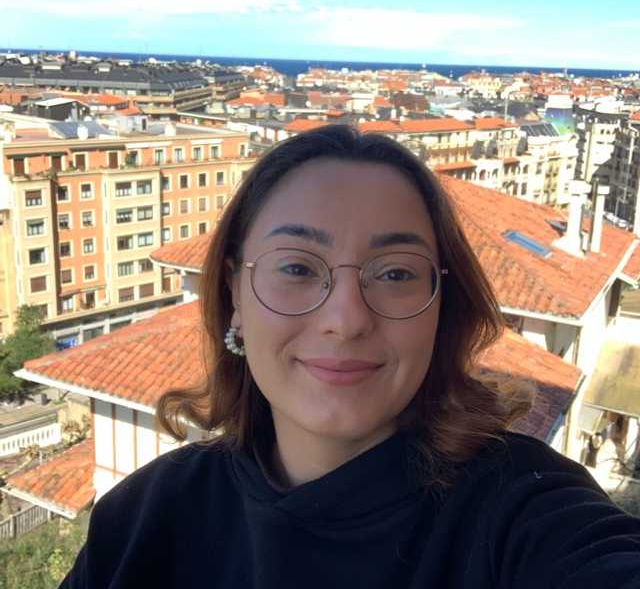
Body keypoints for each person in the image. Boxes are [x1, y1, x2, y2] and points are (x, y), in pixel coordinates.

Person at [61, 125, 640, 588]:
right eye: (296, 267)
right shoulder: (144, 517)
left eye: (395, 274)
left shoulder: (520, 510)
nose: (346, 318)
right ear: (235, 294)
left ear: (441, 308)